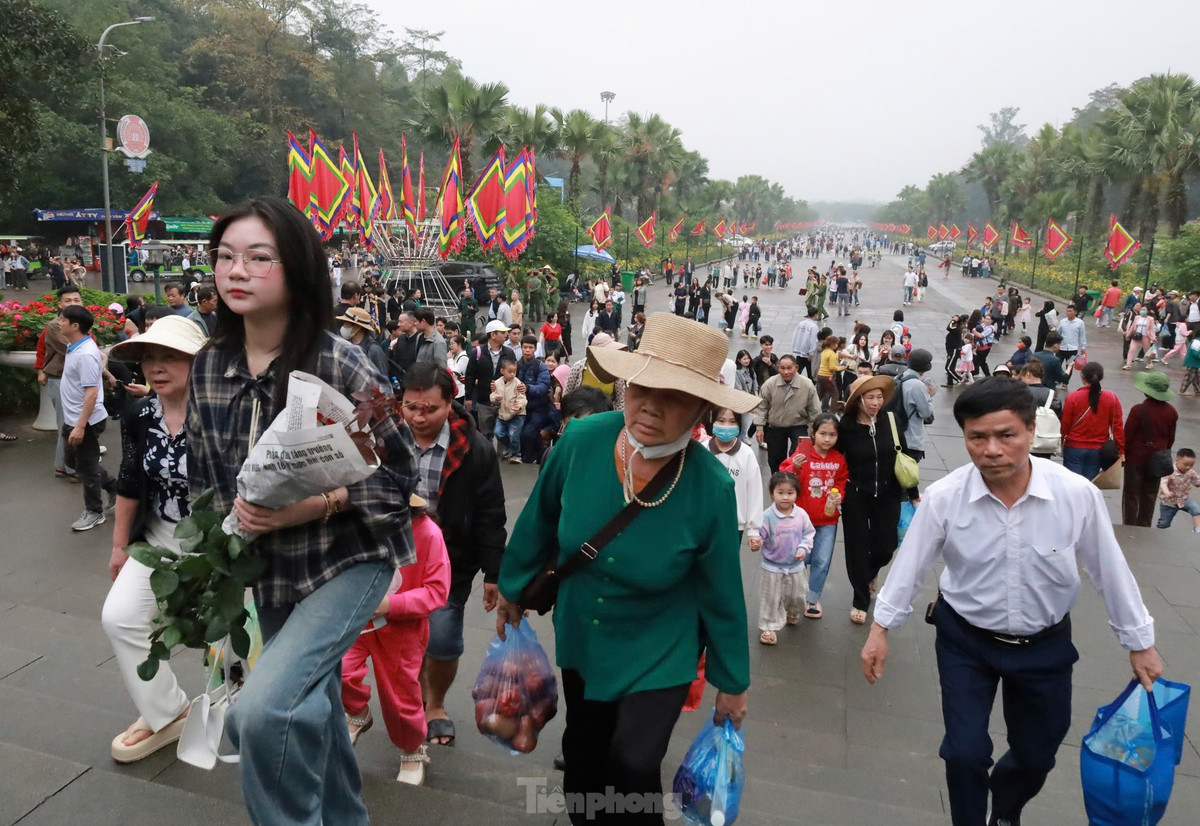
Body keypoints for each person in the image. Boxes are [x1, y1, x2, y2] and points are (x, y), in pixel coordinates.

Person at [188, 198, 418, 825]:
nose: (237, 270)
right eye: (226, 257)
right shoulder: (210, 366)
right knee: (309, 704)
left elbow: (403, 478)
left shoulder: (339, 361)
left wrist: (315, 505)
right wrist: (214, 559)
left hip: (351, 559)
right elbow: (206, 481)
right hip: (271, 570)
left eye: (259, 258)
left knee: (260, 713)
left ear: (295, 269)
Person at [861, 377, 1162, 826]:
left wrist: (1139, 641)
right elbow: (911, 564)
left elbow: (1109, 568)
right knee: (964, 753)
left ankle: (1005, 807)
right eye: (977, 437)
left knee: (1037, 754)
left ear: (1030, 433)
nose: (992, 449)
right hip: (966, 640)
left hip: (1045, 644)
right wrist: (880, 629)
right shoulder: (946, 498)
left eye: (1006, 436)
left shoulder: (1074, 494)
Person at [495, 313, 754, 825]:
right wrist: (512, 589)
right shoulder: (582, 440)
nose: (650, 408)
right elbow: (538, 520)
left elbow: (722, 592)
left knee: (634, 762)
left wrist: (734, 683)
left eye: (674, 396)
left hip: (661, 645)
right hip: (584, 630)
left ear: (702, 408)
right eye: (640, 389)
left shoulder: (710, 487)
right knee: (585, 757)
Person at [102, 317, 208, 763]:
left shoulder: (222, 412)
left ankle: (251, 722)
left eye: (170, 357)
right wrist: (120, 545)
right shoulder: (140, 413)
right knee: (120, 616)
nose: (156, 367)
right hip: (159, 536)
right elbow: (130, 479)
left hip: (221, 544)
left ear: (195, 363)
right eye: (149, 357)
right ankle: (167, 712)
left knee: (232, 641)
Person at [398, 363, 507, 749]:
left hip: (449, 560)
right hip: (392, 557)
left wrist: (494, 573)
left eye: (430, 409)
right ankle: (409, 700)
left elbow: (492, 514)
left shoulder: (473, 450)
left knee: (442, 638)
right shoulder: (386, 441)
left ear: (450, 404)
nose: (418, 417)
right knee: (398, 637)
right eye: (411, 407)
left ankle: (436, 705)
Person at [341, 493, 449, 785]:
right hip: (358, 619)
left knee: (399, 696)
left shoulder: (428, 533)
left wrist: (392, 605)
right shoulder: (362, 522)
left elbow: (437, 590)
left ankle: (412, 748)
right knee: (338, 669)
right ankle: (357, 711)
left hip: (402, 629)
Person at [838, 375, 920, 624]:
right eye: (870, 397)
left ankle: (868, 574)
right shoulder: (847, 426)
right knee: (857, 548)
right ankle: (860, 599)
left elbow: (904, 456)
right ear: (859, 401)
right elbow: (836, 457)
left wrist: (914, 495)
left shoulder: (892, 421)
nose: (876, 402)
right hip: (856, 495)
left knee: (886, 547)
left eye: (879, 397)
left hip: (888, 493)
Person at [779, 413, 847, 620]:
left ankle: (812, 599)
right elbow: (785, 477)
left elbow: (841, 481)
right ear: (813, 433)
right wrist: (796, 467)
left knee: (822, 560)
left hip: (828, 520)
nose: (827, 439)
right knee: (800, 559)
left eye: (832, 435)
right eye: (823, 434)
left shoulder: (839, 459)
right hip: (802, 520)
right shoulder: (802, 453)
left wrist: (839, 496)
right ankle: (793, 597)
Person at [59, 305, 115, 531]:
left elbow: (91, 393)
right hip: (73, 417)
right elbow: (102, 356)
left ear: (75, 326)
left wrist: (81, 426)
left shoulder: (84, 354)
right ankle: (114, 486)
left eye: (62, 319)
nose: (58, 322)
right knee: (73, 462)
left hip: (86, 420)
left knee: (86, 465)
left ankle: (94, 511)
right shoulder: (76, 346)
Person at [749, 472, 815, 645]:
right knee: (770, 597)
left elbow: (808, 534)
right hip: (772, 566)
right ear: (772, 494)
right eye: (780, 492)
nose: (785, 497)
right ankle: (768, 627)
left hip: (796, 565)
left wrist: (803, 548)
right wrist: (757, 542)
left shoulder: (801, 515)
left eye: (790, 493)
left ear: (796, 494)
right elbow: (759, 534)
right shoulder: (767, 516)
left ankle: (792, 612)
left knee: (798, 595)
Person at [1123, 371, 1178, 527]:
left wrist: (1123, 454)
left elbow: (1128, 435)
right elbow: (1170, 438)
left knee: (1132, 494)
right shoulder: (1172, 412)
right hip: (1158, 458)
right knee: (1150, 493)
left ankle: (1129, 524)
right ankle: (1145, 524)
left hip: (1136, 456)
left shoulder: (1138, 410)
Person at [704, 406, 763, 540]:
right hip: (704, 522)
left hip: (734, 525)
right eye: (721, 420)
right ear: (712, 421)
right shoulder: (703, 450)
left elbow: (754, 491)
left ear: (739, 424)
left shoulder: (746, 454)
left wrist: (754, 530)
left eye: (732, 422)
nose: (726, 426)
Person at [755, 354, 822, 471]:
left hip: (799, 424)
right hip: (776, 424)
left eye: (789, 368)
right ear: (778, 368)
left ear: (796, 367)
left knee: (799, 457)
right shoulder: (770, 384)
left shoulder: (807, 384)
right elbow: (762, 407)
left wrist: (815, 430)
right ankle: (777, 482)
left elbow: (814, 409)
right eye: (782, 368)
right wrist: (759, 427)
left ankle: (795, 481)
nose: (786, 372)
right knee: (775, 459)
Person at [1060, 362, 1125, 480]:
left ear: (1082, 376)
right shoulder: (1112, 398)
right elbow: (1117, 427)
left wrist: (1061, 440)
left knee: (1071, 484)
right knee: (1089, 485)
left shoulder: (1073, 397)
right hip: (1098, 449)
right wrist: (1121, 450)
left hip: (1074, 447)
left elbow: (1065, 424)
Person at [896, 350, 935, 462]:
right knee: (908, 476)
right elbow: (926, 412)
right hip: (911, 439)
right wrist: (928, 395)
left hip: (897, 434)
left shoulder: (899, 377)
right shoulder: (917, 385)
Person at [490, 355, 527, 463]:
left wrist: (519, 405)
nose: (512, 374)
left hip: (517, 414)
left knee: (513, 434)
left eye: (514, 372)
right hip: (502, 414)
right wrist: (496, 398)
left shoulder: (518, 383)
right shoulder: (497, 383)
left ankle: (517, 454)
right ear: (502, 371)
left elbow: (523, 398)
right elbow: (492, 396)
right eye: (509, 372)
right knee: (498, 432)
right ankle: (508, 447)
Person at [336, 306, 390, 379]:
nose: (343, 327)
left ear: (357, 327)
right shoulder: (346, 345)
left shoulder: (374, 351)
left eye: (346, 324)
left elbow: (383, 381)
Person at [1158, 448, 1200, 531]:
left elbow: (1197, 482)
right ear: (1177, 460)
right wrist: (1166, 492)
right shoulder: (1170, 471)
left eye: (1191, 465)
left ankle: (1198, 529)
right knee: (1164, 523)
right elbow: (1163, 483)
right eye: (1185, 464)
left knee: (1196, 509)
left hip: (1183, 499)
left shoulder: (1191, 473)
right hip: (1169, 502)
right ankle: (1159, 532)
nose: (1188, 467)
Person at [791, 306, 821, 380]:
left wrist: (795, 347)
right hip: (807, 354)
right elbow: (813, 340)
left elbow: (795, 335)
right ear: (815, 314)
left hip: (799, 351)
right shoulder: (814, 327)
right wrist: (811, 353)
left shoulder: (801, 323)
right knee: (810, 374)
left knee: (797, 372)